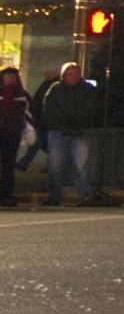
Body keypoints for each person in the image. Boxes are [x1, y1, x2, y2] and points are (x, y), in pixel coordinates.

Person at [41, 62, 105, 207]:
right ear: (64, 75)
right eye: (70, 74)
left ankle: (84, 195)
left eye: (76, 74)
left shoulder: (87, 89)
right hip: (59, 131)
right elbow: (49, 108)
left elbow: (92, 108)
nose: (73, 77)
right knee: (55, 166)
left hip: (81, 131)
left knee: (81, 166)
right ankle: (54, 196)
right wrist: (62, 120)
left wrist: (78, 120)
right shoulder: (56, 89)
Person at [0, 67, 34, 208]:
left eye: (13, 76)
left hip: (12, 133)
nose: (10, 79)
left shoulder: (22, 95)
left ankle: (6, 195)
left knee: (8, 165)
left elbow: (29, 113)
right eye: (7, 76)